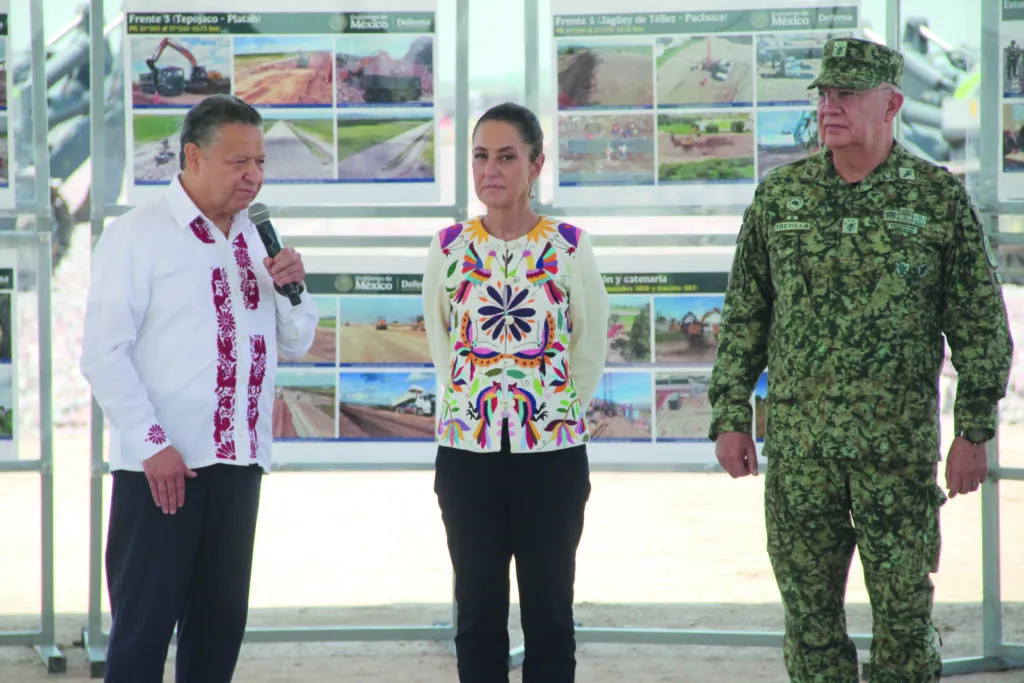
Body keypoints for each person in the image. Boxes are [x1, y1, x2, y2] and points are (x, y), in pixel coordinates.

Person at [708, 38, 1013, 683]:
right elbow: (745, 318)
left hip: (895, 458)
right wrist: (730, 413)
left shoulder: (936, 201)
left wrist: (974, 430)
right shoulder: (781, 199)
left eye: (848, 93)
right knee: (811, 624)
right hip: (800, 456)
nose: (831, 106)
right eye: (824, 93)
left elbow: (980, 325)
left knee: (903, 628)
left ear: (892, 103)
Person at [80, 94, 319, 683]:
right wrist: (152, 445)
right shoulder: (137, 236)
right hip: (162, 470)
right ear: (192, 156)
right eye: (240, 162)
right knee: (142, 635)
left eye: (261, 163)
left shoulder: (253, 239)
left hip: (238, 464)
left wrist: (290, 287)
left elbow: (298, 341)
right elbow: (103, 354)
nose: (254, 176)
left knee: (216, 634)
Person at [422, 102, 609, 682]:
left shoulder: (570, 246)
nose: (491, 170)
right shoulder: (447, 248)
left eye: (507, 157)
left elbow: (589, 344)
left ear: (536, 165)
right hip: (466, 458)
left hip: (551, 459)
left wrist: (549, 414)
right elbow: (442, 345)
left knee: (550, 617)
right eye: (481, 156)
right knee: (476, 618)